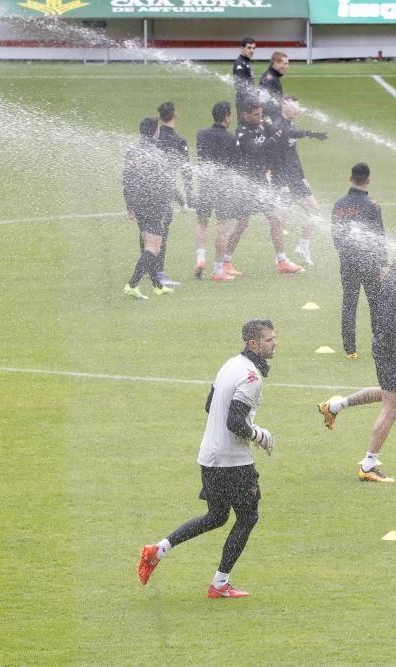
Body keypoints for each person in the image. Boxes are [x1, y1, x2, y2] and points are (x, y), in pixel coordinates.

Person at [137, 318, 278, 598]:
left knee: (217, 516)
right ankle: (220, 584)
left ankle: (158, 550)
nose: (275, 343)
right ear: (253, 344)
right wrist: (259, 435)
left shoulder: (230, 364)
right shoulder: (251, 377)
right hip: (233, 460)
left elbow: (208, 405)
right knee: (248, 517)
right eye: (269, 339)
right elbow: (235, 423)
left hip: (209, 455)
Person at [318, 250, 396, 483]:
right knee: (393, 408)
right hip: (389, 349)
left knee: (388, 395)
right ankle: (368, 465)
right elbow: (386, 321)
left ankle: (334, 406)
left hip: (389, 347)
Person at [224, 98, 304, 274]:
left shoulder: (261, 125)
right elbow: (256, 151)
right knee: (243, 223)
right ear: (245, 115)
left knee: (274, 218)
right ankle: (225, 262)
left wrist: (277, 130)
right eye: (255, 115)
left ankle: (282, 261)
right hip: (247, 184)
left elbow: (276, 135)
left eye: (261, 114)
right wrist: (274, 136)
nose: (260, 117)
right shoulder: (242, 133)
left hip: (260, 182)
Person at [330, 162, 386, 359]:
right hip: (370, 262)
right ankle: (378, 344)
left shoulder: (339, 204)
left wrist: (344, 254)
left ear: (350, 178)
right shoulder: (372, 206)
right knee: (376, 304)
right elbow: (380, 236)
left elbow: (335, 235)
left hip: (348, 262)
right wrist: (383, 264)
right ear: (368, 180)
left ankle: (350, 349)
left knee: (349, 303)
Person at [268, 96, 328, 266]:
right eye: (295, 107)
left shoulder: (291, 124)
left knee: (314, 209)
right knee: (280, 218)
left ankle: (303, 246)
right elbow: (278, 152)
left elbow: (293, 154)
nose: (298, 110)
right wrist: (310, 133)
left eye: (298, 107)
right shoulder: (279, 125)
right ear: (285, 108)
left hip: (295, 177)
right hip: (283, 179)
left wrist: (302, 176)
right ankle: (280, 255)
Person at [122, 117, 176, 300]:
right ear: (155, 132)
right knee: (153, 248)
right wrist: (177, 200)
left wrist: (130, 206)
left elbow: (127, 180)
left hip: (139, 203)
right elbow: (167, 182)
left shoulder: (132, 152)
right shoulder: (158, 154)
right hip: (154, 203)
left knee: (148, 242)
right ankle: (132, 284)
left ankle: (157, 286)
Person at [193, 101, 239, 282]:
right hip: (223, 186)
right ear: (226, 117)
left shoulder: (201, 134)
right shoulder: (231, 138)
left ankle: (200, 258)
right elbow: (234, 165)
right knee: (223, 225)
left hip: (205, 183)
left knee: (202, 222)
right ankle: (218, 270)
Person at [153, 101, 192, 287]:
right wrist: (188, 197)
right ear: (175, 115)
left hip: (147, 189)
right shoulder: (178, 141)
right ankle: (158, 272)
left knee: (147, 230)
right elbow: (186, 171)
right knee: (162, 232)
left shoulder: (153, 137)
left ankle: (147, 265)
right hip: (166, 192)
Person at [258, 51, 290, 123]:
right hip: (271, 121)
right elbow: (263, 99)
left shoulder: (273, 76)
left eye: (287, 64)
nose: (287, 66)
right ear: (275, 63)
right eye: (284, 64)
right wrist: (268, 120)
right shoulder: (270, 78)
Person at [232, 37, 256, 125]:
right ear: (242, 48)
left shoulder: (245, 62)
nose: (252, 50)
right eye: (249, 47)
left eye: (254, 48)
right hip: (244, 103)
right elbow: (241, 87)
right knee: (243, 128)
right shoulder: (240, 64)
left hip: (249, 102)